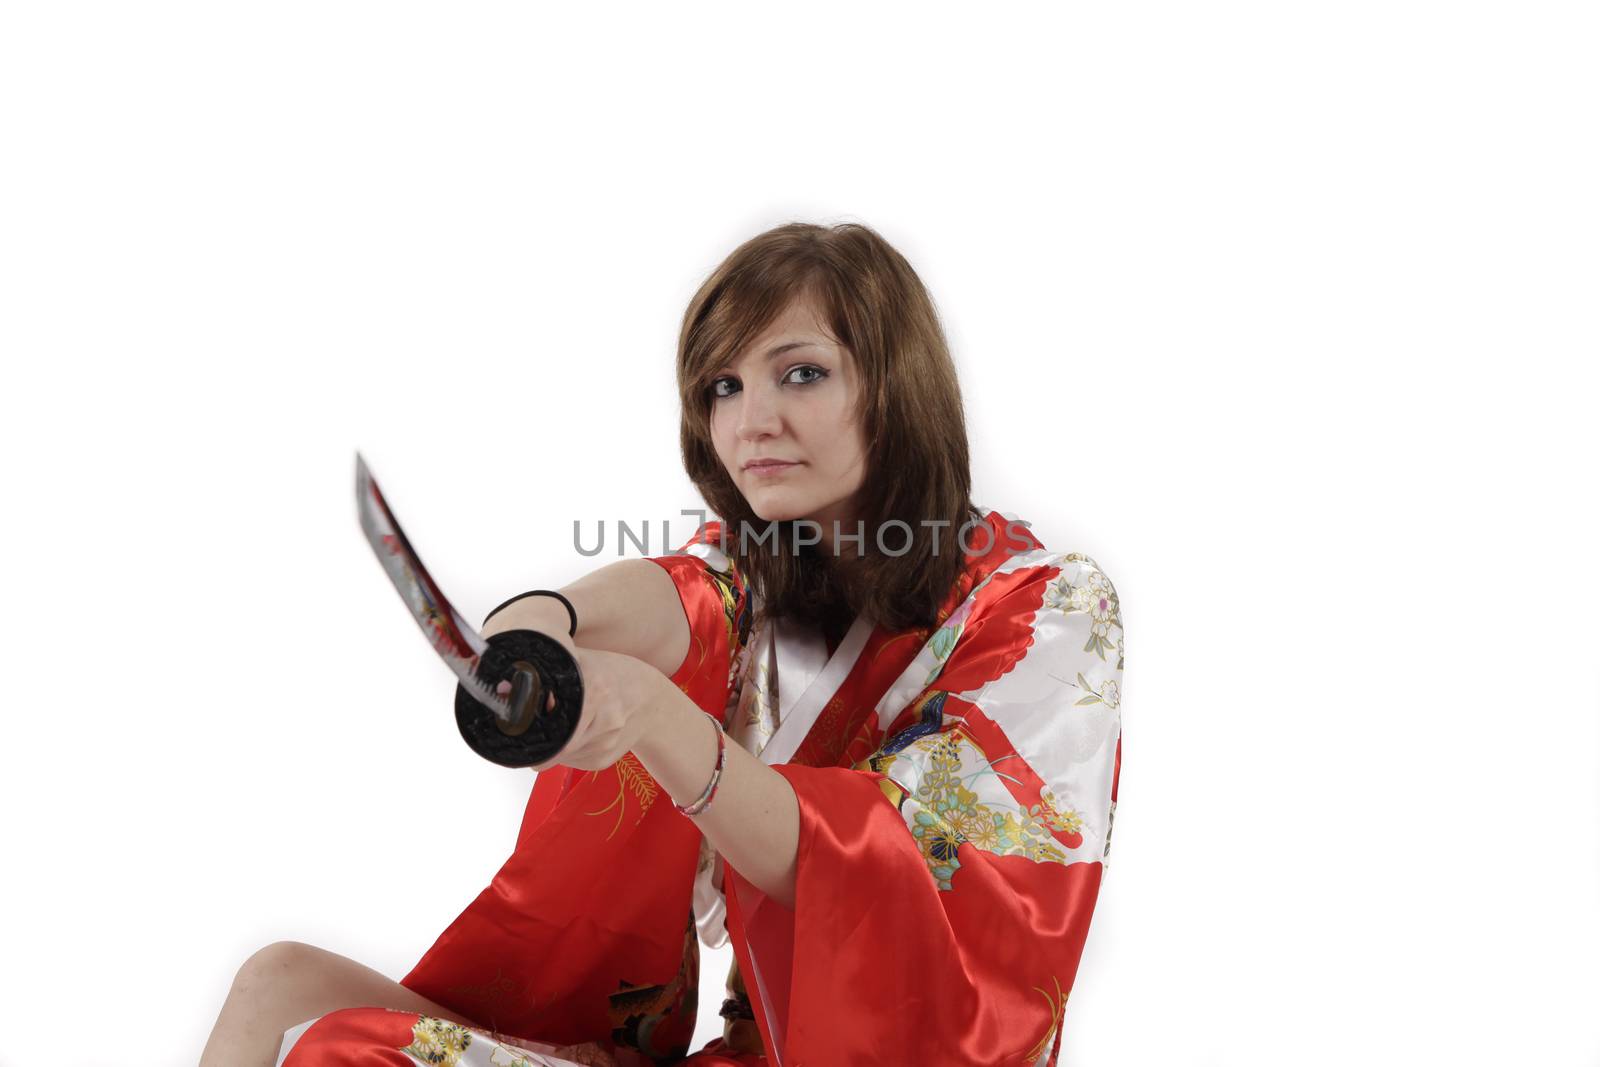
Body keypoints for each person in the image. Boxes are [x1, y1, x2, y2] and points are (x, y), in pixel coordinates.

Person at [203, 221, 1125, 1067]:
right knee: (276, 981)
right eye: (722, 386)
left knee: (341, 1055)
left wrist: (649, 714)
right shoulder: (770, 562)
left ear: (896, 382)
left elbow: (895, 872)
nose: (747, 420)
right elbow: (686, 598)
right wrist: (543, 622)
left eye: (799, 372)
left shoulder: (1043, 608)